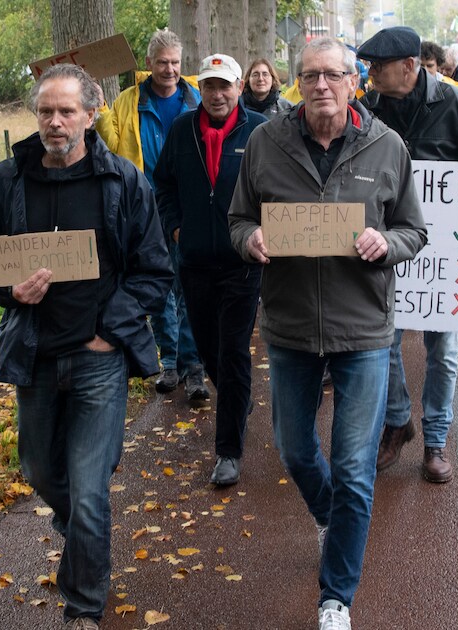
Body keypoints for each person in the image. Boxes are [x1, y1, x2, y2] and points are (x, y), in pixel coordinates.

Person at [0, 64, 173, 629]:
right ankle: (83, 533)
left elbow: (154, 270)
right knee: (38, 472)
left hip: (96, 359)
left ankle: (83, 607)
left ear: (91, 113)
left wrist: (112, 330)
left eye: (66, 112)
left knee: (89, 494)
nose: (55, 123)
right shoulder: (5, 181)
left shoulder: (123, 182)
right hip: (34, 353)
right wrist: (8, 289)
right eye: (45, 112)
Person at [228, 38, 427, 630]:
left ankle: (335, 597)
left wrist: (385, 244)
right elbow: (239, 217)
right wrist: (249, 241)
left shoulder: (387, 147)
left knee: (355, 466)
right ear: (297, 83)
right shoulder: (266, 142)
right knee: (293, 447)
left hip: (363, 329)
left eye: (333, 75)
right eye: (310, 75)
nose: (321, 86)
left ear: (352, 81)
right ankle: (332, 518)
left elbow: (414, 230)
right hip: (288, 326)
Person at [358, 26, 458, 483]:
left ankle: (436, 440)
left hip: (447, 250)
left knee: (441, 349)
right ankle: (399, 420)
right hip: (389, 245)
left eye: (378, 67)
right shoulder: (368, 108)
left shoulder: (457, 104)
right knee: (384, 342)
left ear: (409, 66)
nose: (371, 74)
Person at [155, 54, 266, 487]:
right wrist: (176, 227)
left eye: (225, 86)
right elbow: (163, 183)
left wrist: (264, 231)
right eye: (209, 86)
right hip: (195, 261)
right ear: (199, 89)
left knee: (234, 350)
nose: (217, 95)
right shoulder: (182, 129)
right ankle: (238, 402)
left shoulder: (258, 129)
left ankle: (227, 452)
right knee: (208, 349)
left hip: (243, 263)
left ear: (239, 87)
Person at [97, 29, 209, 406]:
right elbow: (110, 148)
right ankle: (170, 361)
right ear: (149, 65)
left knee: (189, 289)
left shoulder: (197, 98)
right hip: (143, 210)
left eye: (175, 62)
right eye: (162, 62)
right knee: (158, 291)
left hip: (186, 206)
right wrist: (99, 111)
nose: (170, 69)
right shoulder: (128, 101)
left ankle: (195, 367)